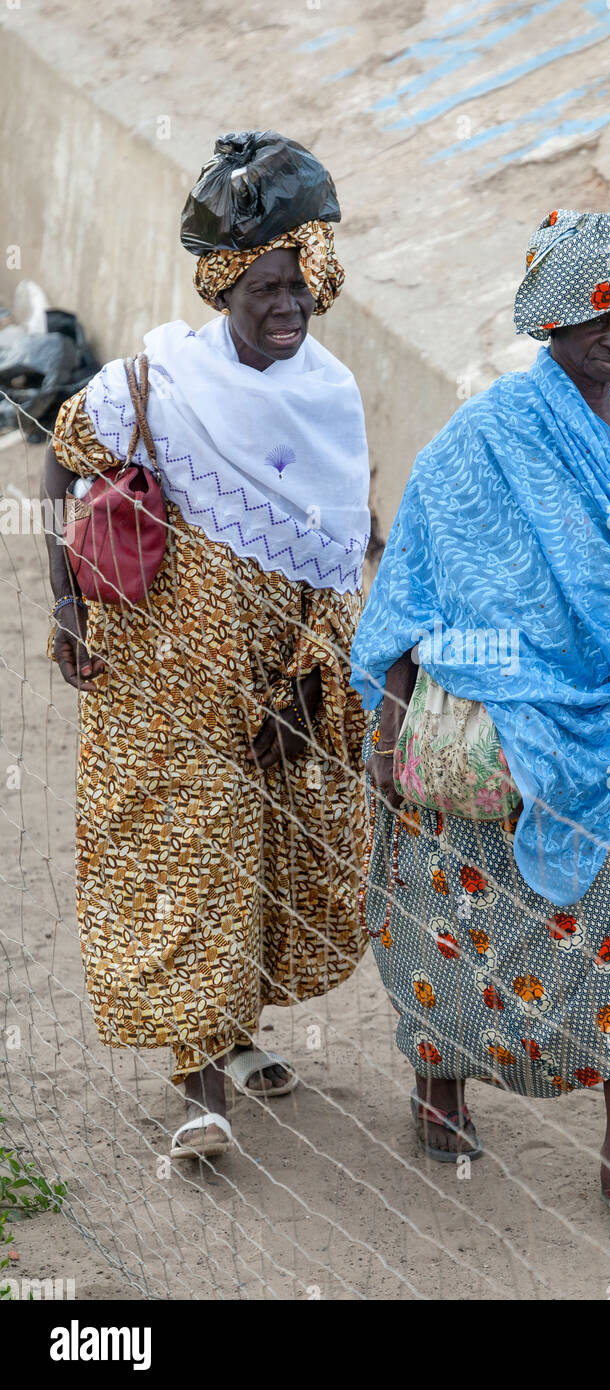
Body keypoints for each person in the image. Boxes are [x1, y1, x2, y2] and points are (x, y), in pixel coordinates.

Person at [351, 202, 610, 1238]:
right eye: (596, 321)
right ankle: (440, 1078)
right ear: (548, 327)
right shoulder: (486, 439)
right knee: (457, 928)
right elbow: (413, 576)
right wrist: (387, 724)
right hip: (495, 737)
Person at [43, 136, 371, 1160]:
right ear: (223, 289)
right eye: (265, 288)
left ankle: (229, 1039)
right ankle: (200, 1097)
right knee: (182, 869)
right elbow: (62, 461)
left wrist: (309, 693)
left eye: (299, 288)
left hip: (274, 693)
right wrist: (63, 604)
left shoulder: (330, 400)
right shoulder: (157, 385)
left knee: (260, 863)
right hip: (158, 689)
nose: (287, 308)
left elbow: (337, 560)